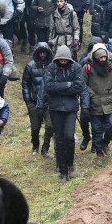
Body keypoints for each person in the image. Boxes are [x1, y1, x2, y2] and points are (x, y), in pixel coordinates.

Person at [38, 45, 89, 182]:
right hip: (55, 108)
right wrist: (67, 85)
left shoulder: (76, 67)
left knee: (69, 137)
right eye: (61, 60)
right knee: (59, 139)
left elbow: (78, 86)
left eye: (65, 60)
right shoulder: (51, 68)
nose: (63, 62)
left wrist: (59, 88)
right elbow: (48, 87)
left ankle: (71, 163)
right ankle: (62, 170)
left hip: (71, 108)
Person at [83, 43, 112, 157]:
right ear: (95, 56)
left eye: (104, 57)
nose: (103, 59)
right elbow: (83, 85)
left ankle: (105, 142)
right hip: (94, 104)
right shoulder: (87, 68)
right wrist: (92, 95)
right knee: (96, 129)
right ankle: (99, 153)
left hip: (109, 102)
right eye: (100, 57)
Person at [23, 42, 55, 157]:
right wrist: (28, 101)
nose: (42, 54)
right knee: (35, 127)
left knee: (50, 126)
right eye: (40, 52)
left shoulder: (52, 66)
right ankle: (35, 145)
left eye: (44, 52)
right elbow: (25, 84)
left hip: (48, 102)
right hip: (34, 102)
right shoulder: (30, 66)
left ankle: (45, 148)